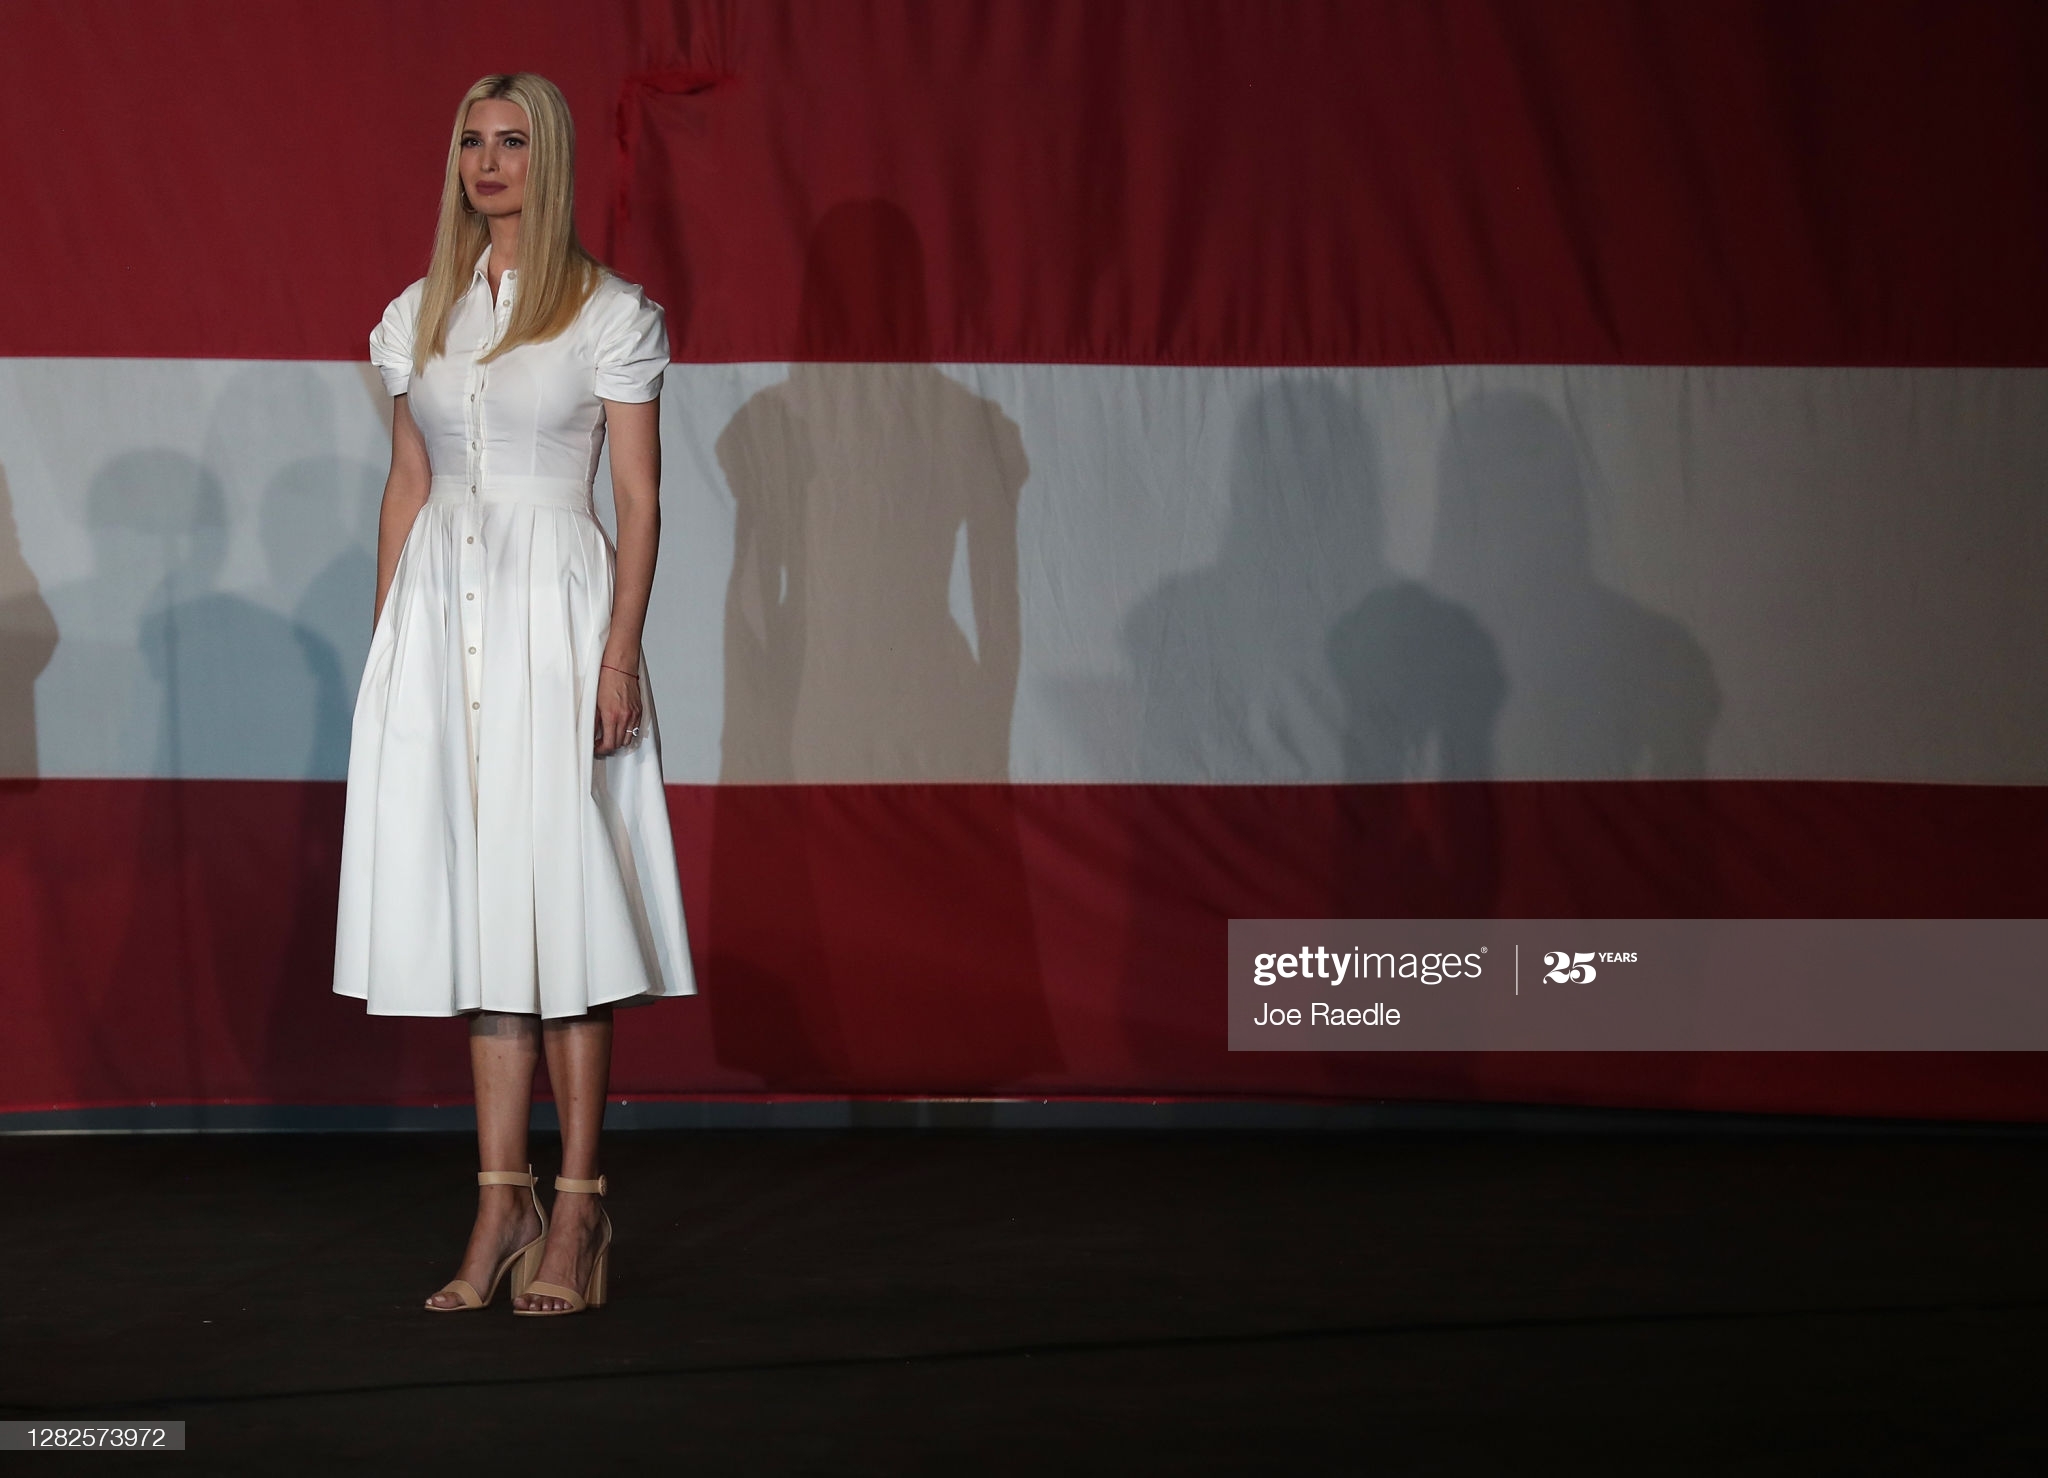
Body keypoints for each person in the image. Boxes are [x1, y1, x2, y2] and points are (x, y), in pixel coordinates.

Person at [331, 72, 695, 1315]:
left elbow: (637, 497)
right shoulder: (418, 312)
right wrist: (389, 651)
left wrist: (618, 654)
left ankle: (577, 1205)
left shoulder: (609, 313)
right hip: (441, 622)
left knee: (561, 911)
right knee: (483, 917)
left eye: (513, 141)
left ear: (553, 160)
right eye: (473, 143)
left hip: (556, 624)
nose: (489, 162)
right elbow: (406, 481)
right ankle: (502, 1199)